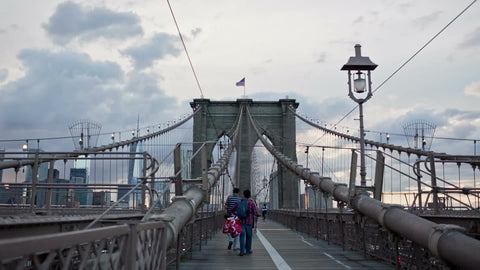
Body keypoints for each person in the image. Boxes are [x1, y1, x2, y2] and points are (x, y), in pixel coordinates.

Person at [232, 189, 258, 256]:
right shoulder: (251, 203)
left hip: (241, 221)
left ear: (243, 195)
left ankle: (242, 251)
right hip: (249, 222)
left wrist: (237, 214)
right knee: (249, 236)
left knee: (242, 236)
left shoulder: (239, 202)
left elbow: (233, 210)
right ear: (249, 196)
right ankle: (248, 250)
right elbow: (255, 212)